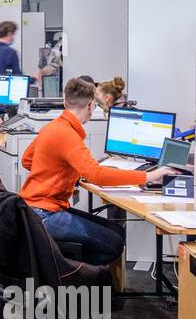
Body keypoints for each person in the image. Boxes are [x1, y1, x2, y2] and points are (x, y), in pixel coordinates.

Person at [19, 77, 171, 266]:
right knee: (114, 243)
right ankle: (60, 272)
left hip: (31, 210)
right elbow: (96, 175)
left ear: (66, 102)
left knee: (116, 231)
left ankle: (61, 269)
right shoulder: (67, 135)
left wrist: (61, 171)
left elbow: (27, 159)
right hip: (45, 214)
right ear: (91, 106)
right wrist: (149, 176)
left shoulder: (53, 126)